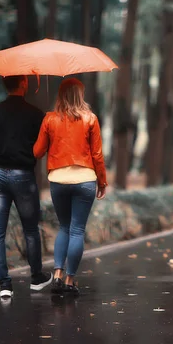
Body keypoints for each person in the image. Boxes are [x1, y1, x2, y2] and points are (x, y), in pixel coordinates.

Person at [0, 75, 53, 299]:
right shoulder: (35, 114)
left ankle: (4, 284)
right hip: (23, 176)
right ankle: (37, 277)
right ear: (23, 84)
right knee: (30, 229)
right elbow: (44, 145)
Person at [33, 78, 107, 296]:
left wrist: (46, 129)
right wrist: (102, 181)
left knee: (64, 227)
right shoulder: (90, 119)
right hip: (84, 180)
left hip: (58, 180)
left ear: (60, 95)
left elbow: (37, 152)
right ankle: (69, 280)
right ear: (80, 95)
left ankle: (57, 272)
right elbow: (97, 155)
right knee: (77, 230)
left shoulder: (49, 119)